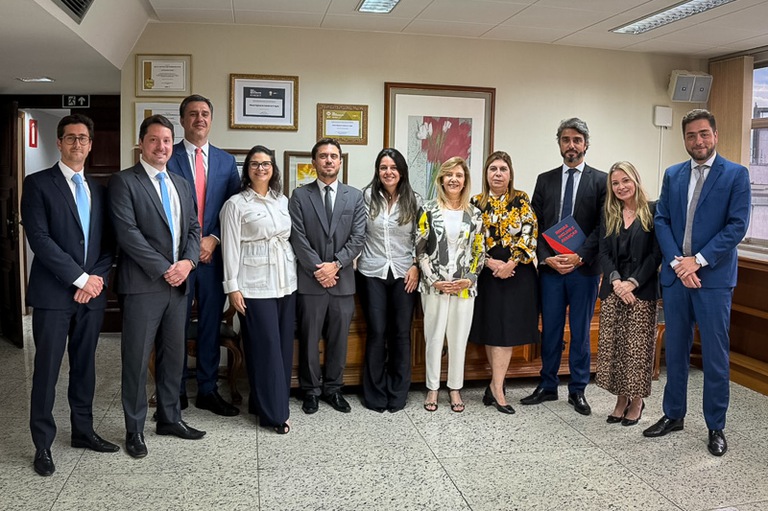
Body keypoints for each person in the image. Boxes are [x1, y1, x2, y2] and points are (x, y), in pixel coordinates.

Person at [644, 109, 751, 456]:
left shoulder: (736, 174)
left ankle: (715, 425)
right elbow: (662, 220)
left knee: (715, 356)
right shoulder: (673, 175)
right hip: (677, 278)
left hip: (713, 280)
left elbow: (736, 226)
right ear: (684, 139)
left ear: (715, 135)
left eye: (704, 134)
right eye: (691, 135)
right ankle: (673, 414)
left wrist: (698, 261)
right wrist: (679, 264)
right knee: (674, 350)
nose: (698, 141)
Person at [21, 114, 119, 476]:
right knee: (46, 370)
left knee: (85, 367)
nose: (77, 144)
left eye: (83, 138)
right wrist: (79, 279)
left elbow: (109, 244)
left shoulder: (100, 188)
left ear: (91, 144)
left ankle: (82, 431)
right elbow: (41, 241)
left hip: (91, 296)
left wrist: (95, 278)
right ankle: (43, 444)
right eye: (70, 138)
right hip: (53, 295)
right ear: (59, 143)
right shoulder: (37, 184)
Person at [109, 115, 205, 459]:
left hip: (179, 284)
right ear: (141, 143)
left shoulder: (180, 182)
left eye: (166, 140)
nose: (161, 146)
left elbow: (194, 228)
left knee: (173, 356)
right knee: (135, 361)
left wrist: (189, 263)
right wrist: (166, 268)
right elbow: (128, 235)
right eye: (154, 140)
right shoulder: (124, 182)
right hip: (143, 285)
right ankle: (134, 429)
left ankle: (169, 418)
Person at [521, 117, 607, 415]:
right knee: (552, 329)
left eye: (577, 140)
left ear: (586, 144)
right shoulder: (545, 179)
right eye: (566, 140)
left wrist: (579, 256)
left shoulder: (601, 180)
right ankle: (547, 385)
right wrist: (546, 257)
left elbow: (602, 225)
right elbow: (534, 224)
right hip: (550, 270)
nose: (571, 145)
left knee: (581, 331)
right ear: (559, 144)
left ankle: (578, 389)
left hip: (584, 270)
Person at [167, 94, 240, 416]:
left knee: (210, 324)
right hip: (177, 259)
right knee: (174, 325)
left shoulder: (226, 162)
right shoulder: (167, 157)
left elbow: (235, 209)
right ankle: (175, 391)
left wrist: (213, 239)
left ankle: (208, 390)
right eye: (193, 114)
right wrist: (187, 248)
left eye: (205, 114)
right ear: (182, 120)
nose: (200, 119)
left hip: (213, 259)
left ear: (212, 120)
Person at [220, 145, 297, 434]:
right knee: (266, 349)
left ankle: (260, 402)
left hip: (286, 282)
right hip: (254, 285)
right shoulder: (236, 204)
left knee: (281, 347)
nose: (261, 168)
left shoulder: (282, 200)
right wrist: (232, 288)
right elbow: (229, 248)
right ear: (247, 169)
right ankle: (276, 414)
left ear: (273, 169)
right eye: (254, 164)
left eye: (266, 164)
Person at [289, 138, 366, 415]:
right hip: (310, 282)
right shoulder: (299, 196)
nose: (329, 160)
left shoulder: (354, 196)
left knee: (338, 340)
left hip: (342, 282)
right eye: (323, 156)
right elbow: (297, 237)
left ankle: (334, 389)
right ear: (314, 162)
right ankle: (310, 391)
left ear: (341, 162)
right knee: (309, 339)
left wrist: (335, 266)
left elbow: (358, 238)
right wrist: (318, 269)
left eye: (334, 156)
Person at [468, 151, 539, 415]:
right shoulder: (475, 202)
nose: (498, 174)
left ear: (510, 174)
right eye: (493, 169)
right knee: (492, 330)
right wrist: (489, 263)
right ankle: (496, 386)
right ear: (486, 174)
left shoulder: (520, 199)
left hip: (516, 273)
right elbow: (471, 239)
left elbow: (530, 231)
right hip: (487, 273)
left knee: (507, 332)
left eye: (503, 169)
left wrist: (511, 263)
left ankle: (497, 387)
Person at [416, 157, 484, 413]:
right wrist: (434, 280)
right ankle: (432, 387)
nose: (454, 179)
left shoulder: (474, 213)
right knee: (433, 337)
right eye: (449, 175)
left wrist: (470, 278)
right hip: (435, 286)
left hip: (464, 287)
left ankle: (455, 388)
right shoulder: (427, 209)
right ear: (441, 179)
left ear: (465, 180)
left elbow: (479, 250)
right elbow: (420, 249)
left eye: (459, 175)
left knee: (458, 338)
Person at [596, 161, 661, 426]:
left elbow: (656, 253)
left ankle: (637, 401)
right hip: (614, 289)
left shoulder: (653, 210)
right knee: (616, 349)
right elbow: (604, 253)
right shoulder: (609, 213)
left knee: (637, 351)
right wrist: (617, 282)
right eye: (615, 183)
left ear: (635, 179)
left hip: (641, 292)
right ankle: (620, 399)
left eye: (625, 180)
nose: (621, 186)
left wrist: (632, 283)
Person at [358, 148, 421, 413]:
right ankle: (374, 393)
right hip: (372, 272)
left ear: (402, 171)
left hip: (404, 274)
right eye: (383, 167)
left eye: (393, 167)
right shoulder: (365, 197)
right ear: (377, 171)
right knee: (376, 333)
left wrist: (417, 265)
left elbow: (422, 237)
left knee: (400, 334)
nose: (388, 172)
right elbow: (357, 233)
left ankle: (398, 392)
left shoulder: (414, 200)